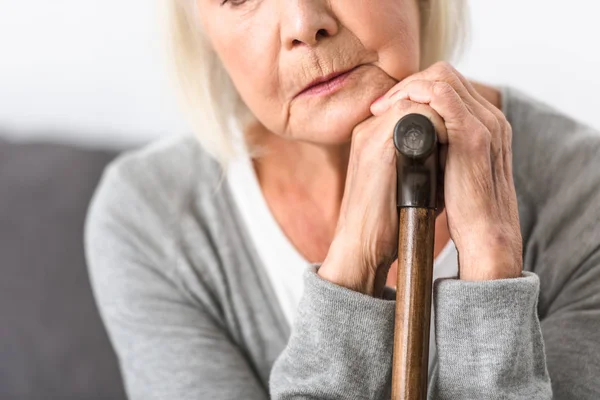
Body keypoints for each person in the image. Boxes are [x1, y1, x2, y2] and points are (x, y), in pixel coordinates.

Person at [83, 0, 600, 398]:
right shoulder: (147, 219)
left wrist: (492, 263)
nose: (303, 23)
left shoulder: (585, 194)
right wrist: (353, 267)